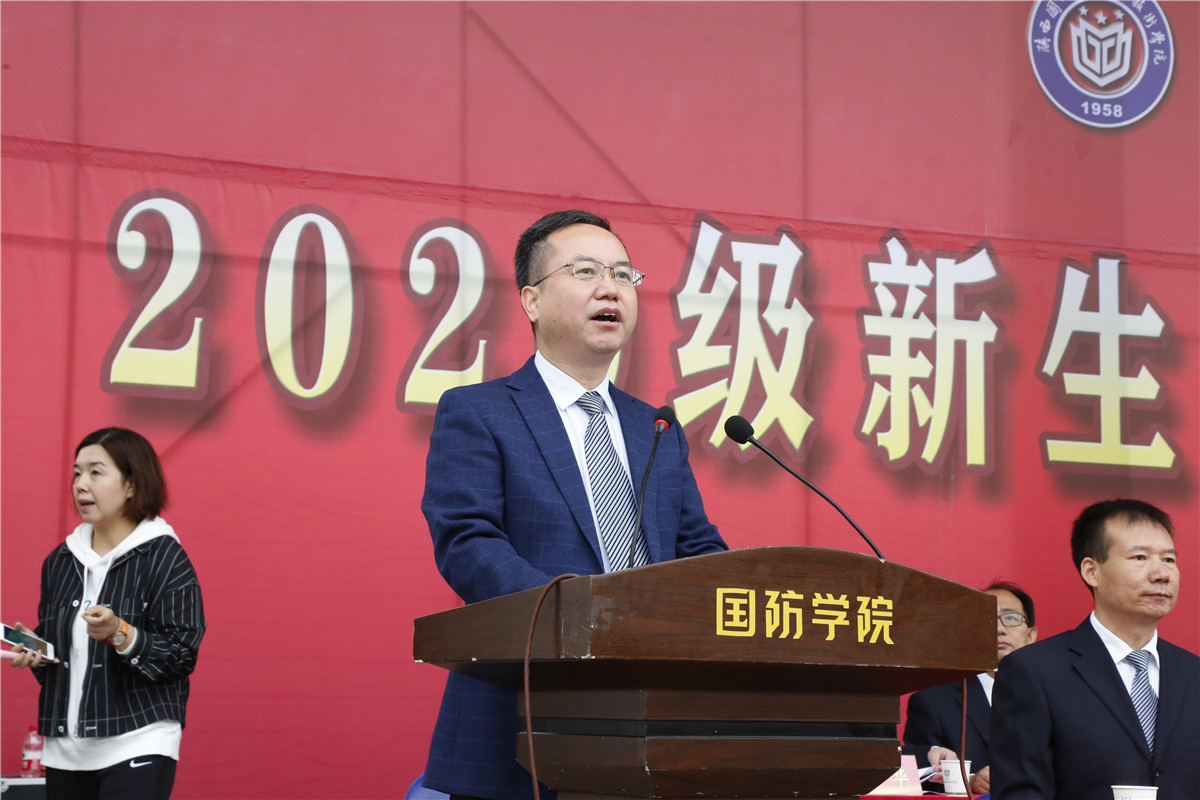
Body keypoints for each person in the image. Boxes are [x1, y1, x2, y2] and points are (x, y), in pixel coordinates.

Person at [420, 210, 727, 800]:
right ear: (532, 301)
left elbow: (698, 549)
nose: (610, 288)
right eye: (585, 271)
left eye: (623, 274)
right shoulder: (479, 411)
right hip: (520, 714)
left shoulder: (656, 427)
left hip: (651, 724)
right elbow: (468, 541)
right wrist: (578, 618)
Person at [8, 427, 205, 800]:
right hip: (66, 749)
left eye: (96, 472)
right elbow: (67, 660)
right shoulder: (60, 561)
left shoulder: (165, 556)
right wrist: (37, 651)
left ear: (132, 484)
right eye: (77, 473)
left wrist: (121, 633)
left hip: (140, 737)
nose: (81, 485)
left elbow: (181, 656)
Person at [990, 499, 1199, 799]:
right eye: (1140, 557)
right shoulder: (1034, 672)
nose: (1161, 574)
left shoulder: (1194, 674)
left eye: (1168, 559)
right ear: (1092, 571)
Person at [902, 581, 1038, 795]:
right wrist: (968, 780)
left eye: (1011, 618)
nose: (999, 629)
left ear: (1031, 636)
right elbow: (915, 772)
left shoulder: (1059, 696)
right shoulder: (933, 702)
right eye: (987, 619)